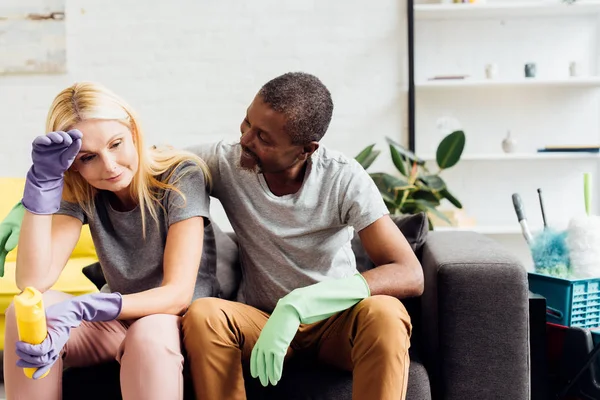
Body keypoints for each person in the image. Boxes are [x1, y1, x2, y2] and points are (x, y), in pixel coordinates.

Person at [182, 72, 424, 400]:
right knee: (204, 315)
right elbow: (153, 164)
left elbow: (409, 272)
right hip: (262, 321)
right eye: (246, 123)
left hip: (335, 323)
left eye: (264, 138)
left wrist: (301, 303)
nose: (246, 140)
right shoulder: (229, 162)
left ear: (305, 150)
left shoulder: (342, 177)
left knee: (386, 313)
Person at [3, 81, 218, 400]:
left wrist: (86, 307)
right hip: (115, 320)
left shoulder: (180, 174)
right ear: (74, 164)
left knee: (149, 331)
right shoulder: (81, 189)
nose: (110, 166)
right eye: (88, 157)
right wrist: (42, 189)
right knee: (26, 312)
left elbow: (177, 295)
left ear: (133, 130)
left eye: (116, 144)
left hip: (174, 321)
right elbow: (32, 281)